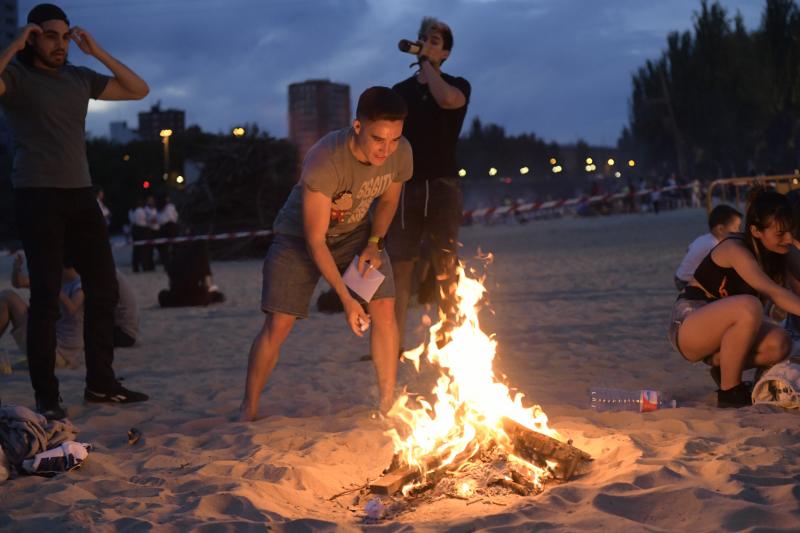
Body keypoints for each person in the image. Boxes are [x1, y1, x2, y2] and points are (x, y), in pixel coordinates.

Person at [0, 3, 149, 419]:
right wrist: (12, 45)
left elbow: (139, 90)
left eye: (65, 36)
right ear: (33, 37)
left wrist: (96, 51)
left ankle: (101, 383)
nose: (60, 44)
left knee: (104, 288)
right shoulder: (17, 77)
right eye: (51, 35)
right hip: (37, 195)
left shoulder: (78, 76)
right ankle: (47, 396)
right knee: (46, 297)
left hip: (81, 195)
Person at [239, 87, 412, 422]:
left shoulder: (400, 153)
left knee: (385, 307)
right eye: (378, 139)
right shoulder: (324, 159)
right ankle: (248, 408)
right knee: (279, 322)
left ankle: (387, 404)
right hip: (298, 238)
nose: (386, 149)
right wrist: (348, 300)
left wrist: (374, 243)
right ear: (357, 126)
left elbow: (389, 201)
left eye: (394, 140)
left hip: (355, 235)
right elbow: (315, 241)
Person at [668, 187, 799, 408]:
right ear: (756, 231)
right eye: (780, 233)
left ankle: (725, 367)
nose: (787, 238)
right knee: (749, 306)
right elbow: (775, 293)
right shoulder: (735, 249)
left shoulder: (782, 249)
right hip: (690, 323)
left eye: (791, 231)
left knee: (780, 343)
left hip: (729, 328)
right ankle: (730, 392)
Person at [386, 17, 470, 350]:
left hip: (442, 186)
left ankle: (451, 335)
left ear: (446, 52)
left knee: (445, 262)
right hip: (405, 186)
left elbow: (446, 100)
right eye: (423, 38)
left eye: (434, 41)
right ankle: (391, 343)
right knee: (401, 265)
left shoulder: (457, 84)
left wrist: (428, 65)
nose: (426, 43)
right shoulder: (400, 93)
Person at [8, 253, 85, 369]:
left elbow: (72, 308)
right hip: (48, 340)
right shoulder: (55, 279)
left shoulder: (80, 284)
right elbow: (18, 283)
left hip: (61, 353)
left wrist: (53, 287)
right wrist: (16, 268)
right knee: (7, 297)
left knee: (8, 297)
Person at [674, 204, 742, 290]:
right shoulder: (714, 245)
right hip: (686, 281)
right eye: (735, 227)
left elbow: (688, 249)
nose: (738, 231)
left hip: (679, 275)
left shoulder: (704, 238)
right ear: (720, 229)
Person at [157, 240, 224, 307]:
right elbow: (207, 284)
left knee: (163, 294)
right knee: (215, 294)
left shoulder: (175, 258)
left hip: (176, 298)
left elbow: (171, 281)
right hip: (194, 298)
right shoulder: (202, 262)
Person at [129, 197, 153, 272]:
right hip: (142, 230)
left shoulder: (131, 211)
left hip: (134, 230)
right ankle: (145, 267)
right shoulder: (141, 210)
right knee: (144, 250)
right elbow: (148, 219)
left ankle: (135, 267)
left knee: (136, 249)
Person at [156, 194, 178, 269]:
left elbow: (158, 219)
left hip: (163, 228)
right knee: (174, 246)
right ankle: (174, 263)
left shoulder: (159, 207)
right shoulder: (170, 206)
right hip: (171, 226)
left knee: (164, 248)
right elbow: (175, 216)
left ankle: (167, 265)